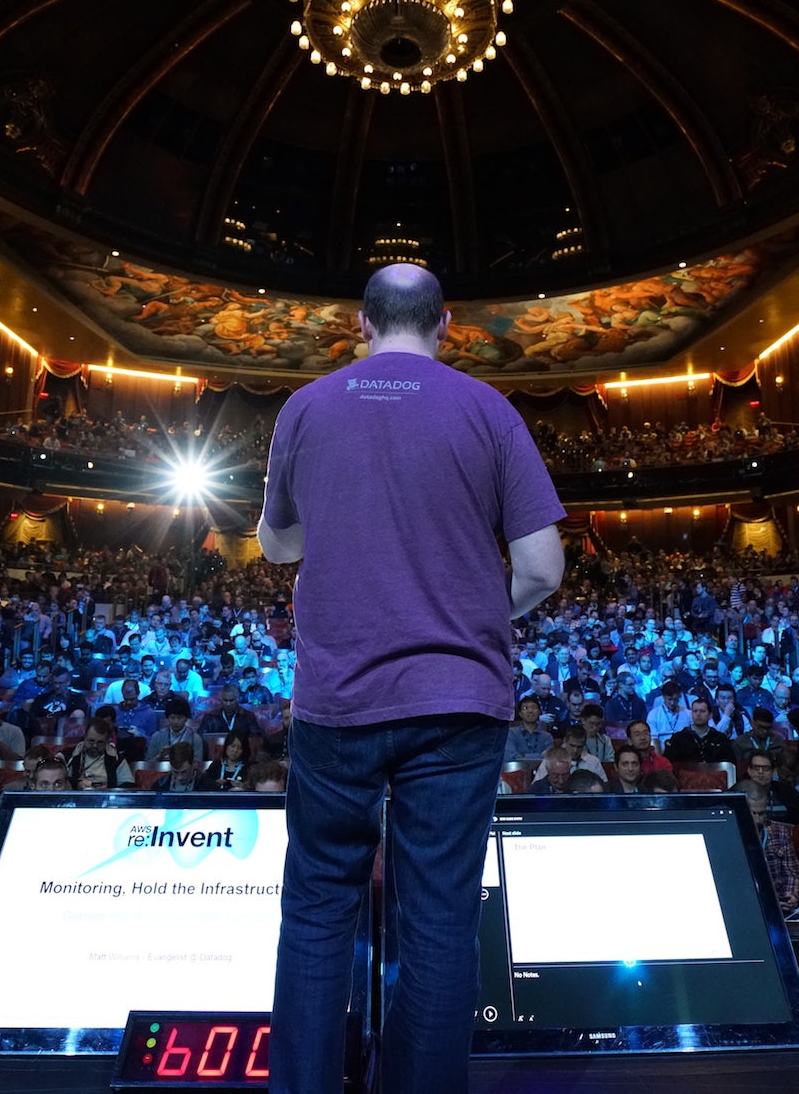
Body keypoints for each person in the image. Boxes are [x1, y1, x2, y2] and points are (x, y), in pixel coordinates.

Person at [257, 263, 564, 1094]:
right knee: (438, 920)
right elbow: (542, 567)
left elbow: (278, 544)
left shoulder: (305, 406)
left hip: (338, 699)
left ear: (361, 323)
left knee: (317, 909)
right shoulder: (489, 409)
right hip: (459, 699)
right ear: (446, 323)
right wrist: (473, 612)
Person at [737, 780, 799, 917]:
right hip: (740, 905)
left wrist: (791, 895)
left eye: (761, 813)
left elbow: (792, 873)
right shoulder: (726, 834)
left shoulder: (780, 832)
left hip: (776, 904)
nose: (757, 820)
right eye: (752, 813)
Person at [663, 696, 731, 763]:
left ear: (710, 715)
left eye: (702, 711)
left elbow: (730, 764)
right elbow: (668, 764)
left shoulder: (720, 739)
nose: (698, 714)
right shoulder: (678, 738)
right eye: (695, 711)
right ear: (691, 714)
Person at [144, 695, 201, 762]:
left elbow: (198, 763)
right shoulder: (156, 737)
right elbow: (148, 763)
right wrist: (159, 756)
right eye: (172, 718)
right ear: (168, 718)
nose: (175, 722)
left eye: (179, 718)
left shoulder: (195, 739)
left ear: (186, 718)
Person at [503, 695, 553, 763]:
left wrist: (521, 755)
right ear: (520, 713)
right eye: (525, 708)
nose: (530, 711)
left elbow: (550, 759)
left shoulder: (547, 737)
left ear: (539, 712)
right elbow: (509, 757)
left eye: (534, 707)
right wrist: (540, 756)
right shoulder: (511, 733)